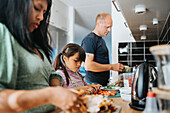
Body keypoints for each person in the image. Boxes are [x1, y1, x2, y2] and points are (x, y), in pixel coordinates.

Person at [0, 0, 80, 113]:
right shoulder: (3, 33)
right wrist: (49, 95)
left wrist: (57, 91)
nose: (41, 17)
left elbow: (52, 74)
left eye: (44, 12)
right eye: (37, 8)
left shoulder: (37, 46)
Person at [81, 13, 124, 86]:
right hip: (93, 84)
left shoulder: (101, 40)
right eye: (107, 27)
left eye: (110, 27)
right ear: (99, 23)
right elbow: (88, 65)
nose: (109, 30)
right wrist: (112, 67)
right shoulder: (89, 40)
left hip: (101, 84)